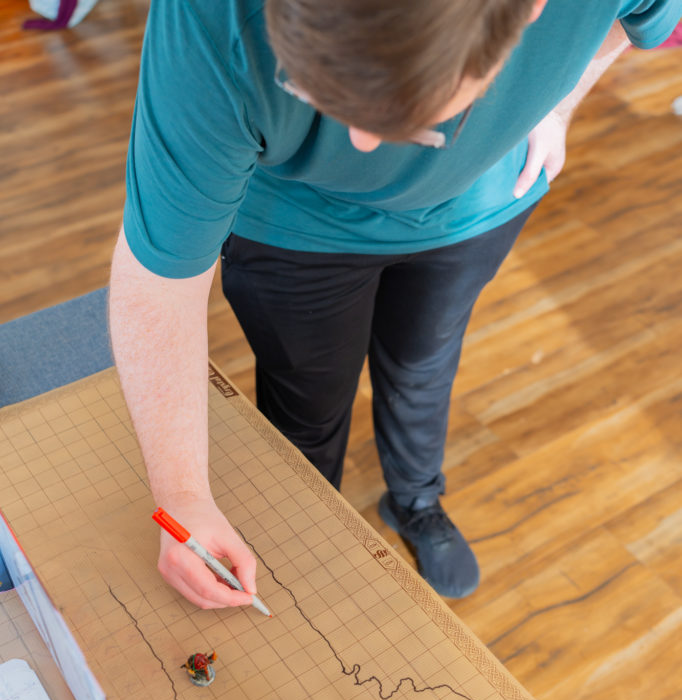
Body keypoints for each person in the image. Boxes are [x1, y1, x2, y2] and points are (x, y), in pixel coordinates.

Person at [109, 0, 680, 610]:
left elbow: (635, 17)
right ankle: (310, 525)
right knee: (306, 400)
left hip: (474, 211)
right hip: (293, 229)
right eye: (312, 89)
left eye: (413, 118)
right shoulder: (210, 19)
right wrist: (183, 497)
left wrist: (557, 101)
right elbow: (159, 279)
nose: (362, 140)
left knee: (423, 367)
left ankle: (415, 500)